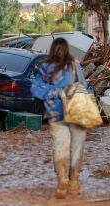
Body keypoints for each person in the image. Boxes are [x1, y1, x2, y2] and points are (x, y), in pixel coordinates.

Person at [31, 38, 88, 199]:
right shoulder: (75, 65)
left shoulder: (46, 67)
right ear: (68, 49)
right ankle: (74, 183)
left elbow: (35, 89)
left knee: (60, 148)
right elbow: (83, 86)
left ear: (52, 50)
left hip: (56, 114)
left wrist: (51, 94)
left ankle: (62, 180)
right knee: (76, 149)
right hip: (75, 113)